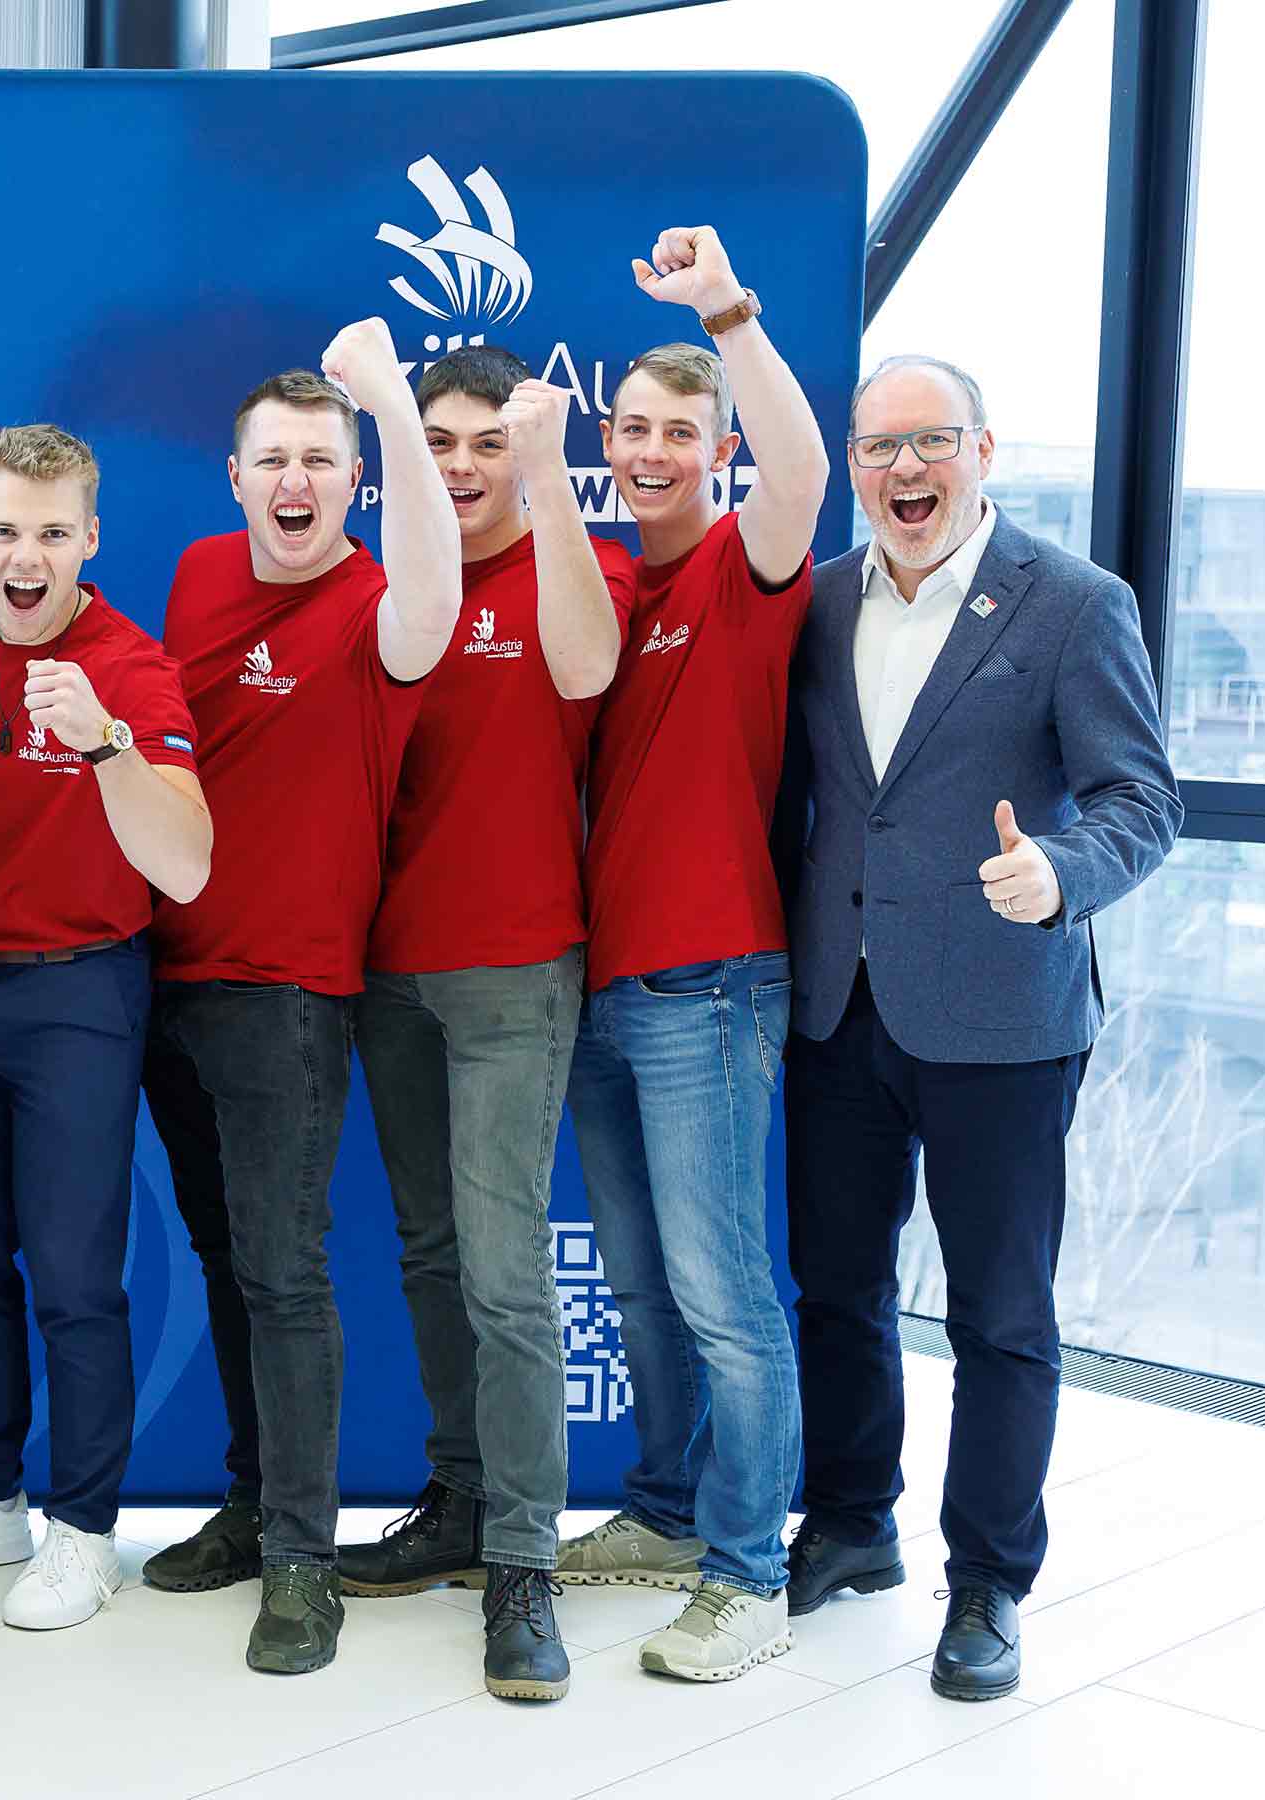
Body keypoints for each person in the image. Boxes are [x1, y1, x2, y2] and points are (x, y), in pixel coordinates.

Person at [780, 355, 1179, 1701]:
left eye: (930, 443)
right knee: (835, 1288)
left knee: (1003, 1316)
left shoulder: (1074, 605)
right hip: (840, 1003)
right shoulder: (822, 603)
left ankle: (989, 1584)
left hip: (1004, 1016)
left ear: (985, 450)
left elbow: (1143, 801)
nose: (903, 472)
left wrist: (1063, 872)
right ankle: (848, 1524)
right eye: (878, 448)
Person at [145, 316, 465, 1678]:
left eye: (320, 460)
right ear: (235, 477)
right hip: (165, 978)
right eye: (272, 458)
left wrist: (388, 398)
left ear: (355, 480)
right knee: (227, 1262)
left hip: (290, 993)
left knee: (284, 1272)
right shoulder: (199, 573)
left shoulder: (384, 607)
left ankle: (301, 1560)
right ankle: (248, 1501)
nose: (295, 478)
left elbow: (438, 602)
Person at [326, 345, 636, 1702]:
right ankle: (458, 1504)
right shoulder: (387, 578)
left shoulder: (580, 563)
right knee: (434, 1255)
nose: (455, 467)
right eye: (432, 441)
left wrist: (551, 476)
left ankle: (523, 1563)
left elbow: (583, 673)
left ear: (523, 447)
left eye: (480, 444)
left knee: (511, 1275)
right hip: (388, 971)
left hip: (517, 971)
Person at [0, 423, 209, 1632]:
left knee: (72, 1274)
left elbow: (185, 859)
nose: (27, 557)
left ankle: (84, 1530)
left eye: (51, 533)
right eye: (4, 531)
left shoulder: (130, 664)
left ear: (89, 539)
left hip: (81, 991)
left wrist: (104, 741)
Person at [559, 227, 832, 1685]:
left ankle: (746, 1573)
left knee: (725, 1295)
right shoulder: (598, 581)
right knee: (646, 1287)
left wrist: (727, 308)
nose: (656, 450)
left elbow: (803, 474)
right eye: (638, 428)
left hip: (713, 983)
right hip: (596, 993)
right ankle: (665, 1513)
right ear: (610, 440)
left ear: (713, 450)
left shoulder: (746, 565)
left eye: (684, 431)